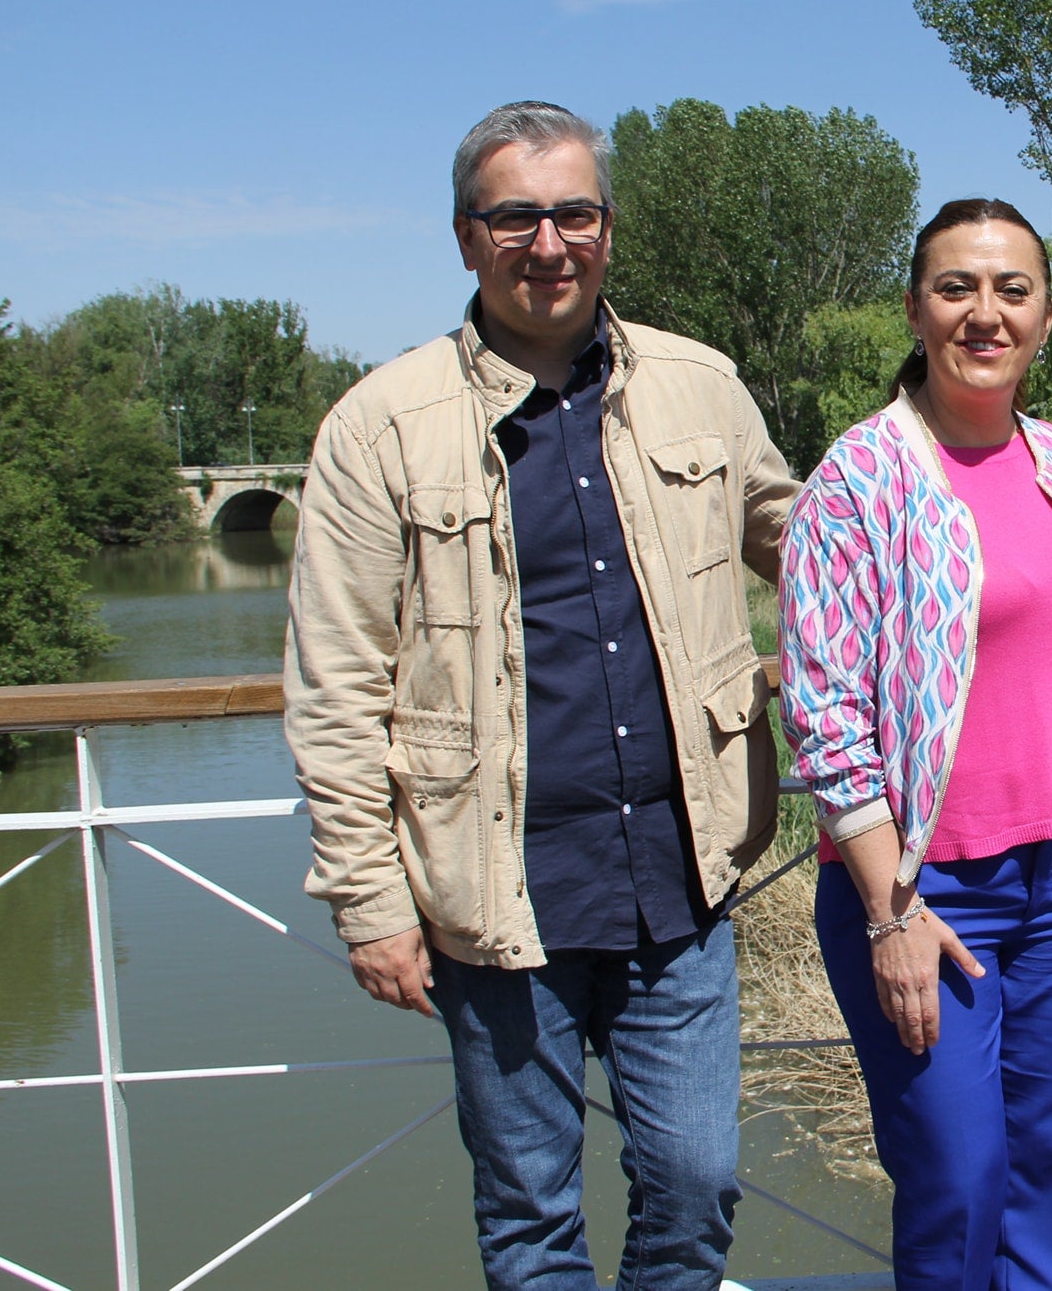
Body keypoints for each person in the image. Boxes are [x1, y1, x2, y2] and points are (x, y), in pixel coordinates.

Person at [283, 100, 799, 1290]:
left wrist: (958, 522)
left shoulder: (699, 386)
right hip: (492, 893)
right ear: (466, 237)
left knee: (696, 1180)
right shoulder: (381, 427)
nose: (547, 241)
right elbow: (334, 681)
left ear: (608, 229)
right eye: (514, 216)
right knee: (529, 1211)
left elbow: (806, 544)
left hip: (683, 875)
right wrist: (369, 901)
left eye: (572, 211)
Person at [776, 198, 1052, 1290]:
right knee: (957, 1173)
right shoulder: (859, 477)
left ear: (1045, 316)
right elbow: (825, 710)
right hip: (929, 892)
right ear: (914, 307)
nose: (984, 315)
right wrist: (889, 909)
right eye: (956, 289)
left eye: (1011, 291)